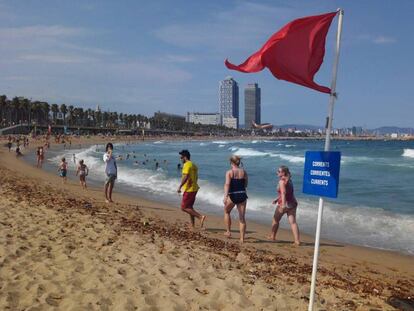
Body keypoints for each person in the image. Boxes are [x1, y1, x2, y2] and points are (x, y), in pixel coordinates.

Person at [268, 165, 300, 246]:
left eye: (278, 171)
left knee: (275, 220)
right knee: (293, 222)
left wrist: (283, 204)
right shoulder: (289, 180)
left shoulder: (281, 181)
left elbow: (284, 193)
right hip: (292, 203)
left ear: (283, 173)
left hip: (284, 204)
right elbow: (287, 192)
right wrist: (277, 199)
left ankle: (272, 236)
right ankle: (297, 241)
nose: (277, 172)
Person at [177, 150, 206, 230]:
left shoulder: (186, 165)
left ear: (185, 157)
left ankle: (200, 217)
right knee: (190, 207)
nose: (180, 159)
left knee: (183, 207)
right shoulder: (194, 165)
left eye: (181, 157)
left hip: (189, 189)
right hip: (194, 188)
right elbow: (196, 177)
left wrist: (180, 186)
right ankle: (192, 225)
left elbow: (185, 177)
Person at [223, 155, 248, 243]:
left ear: (231, 163)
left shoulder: (229, 172)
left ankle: (228, 231)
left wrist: (225, 196)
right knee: (242, 217)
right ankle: (242, 238)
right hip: (242, 195)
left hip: (233, 195)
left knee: (226, 211)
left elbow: (227, 185)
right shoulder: (244, 172)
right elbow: (245, 185)